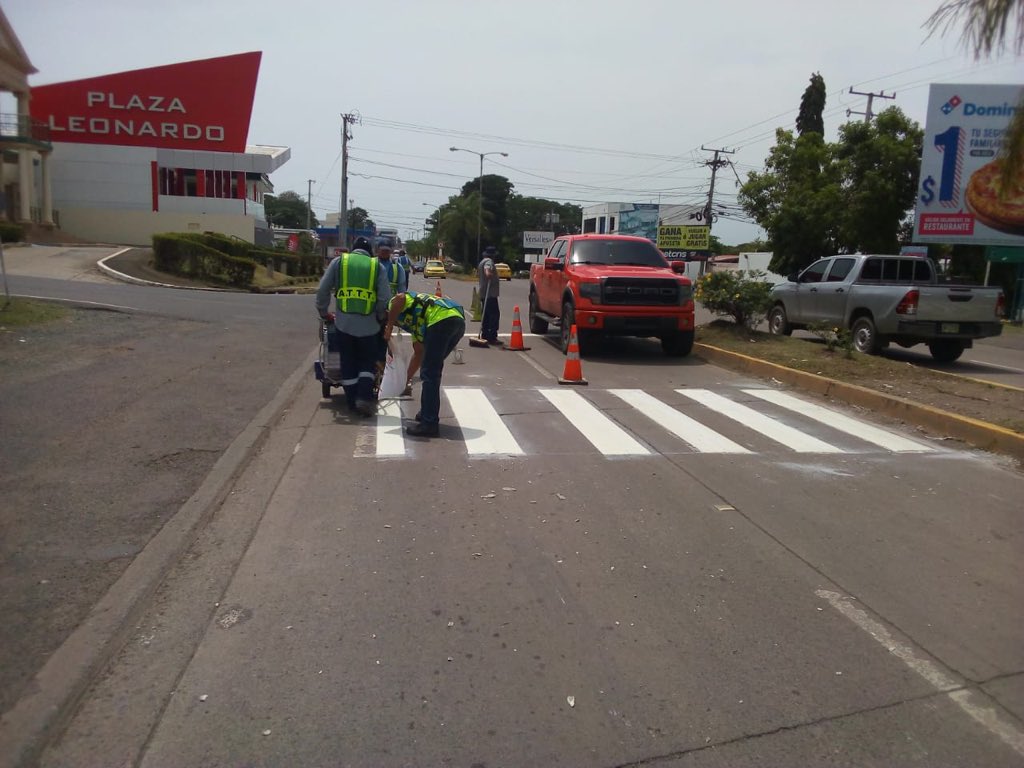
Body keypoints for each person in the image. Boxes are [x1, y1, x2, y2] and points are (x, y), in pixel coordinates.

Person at [316, 236, 391, 416]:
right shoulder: (376, 266)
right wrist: (381, 316)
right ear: (371, 251)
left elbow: (323, 290)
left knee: (348, 362)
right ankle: (363, 398)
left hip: (344, 325)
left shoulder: (339, 263)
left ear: (352, 249)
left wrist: (323, 312)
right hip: (369, 326)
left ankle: (351, 403)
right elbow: (384, 298)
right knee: (367, 362)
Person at [383, 290, 466, 438]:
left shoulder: (393, 305)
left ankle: (429, 424)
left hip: (441, 321)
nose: (396, 324)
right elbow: (419, 353)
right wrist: (405, 380)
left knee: (430, 374)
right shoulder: (416, 322)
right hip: (456, 321)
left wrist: (389, 326)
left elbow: (400, 297)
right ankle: (427, 412)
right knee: (430, 369)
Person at [477, 245, 501, 345]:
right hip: (489, 294)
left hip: (483, 292)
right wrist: (489, 274)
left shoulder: (481, 262)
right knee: (494, 315)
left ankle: (485, 334)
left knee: (486, 315)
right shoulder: (488, 262)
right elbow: (487, 272)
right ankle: (492, 336)